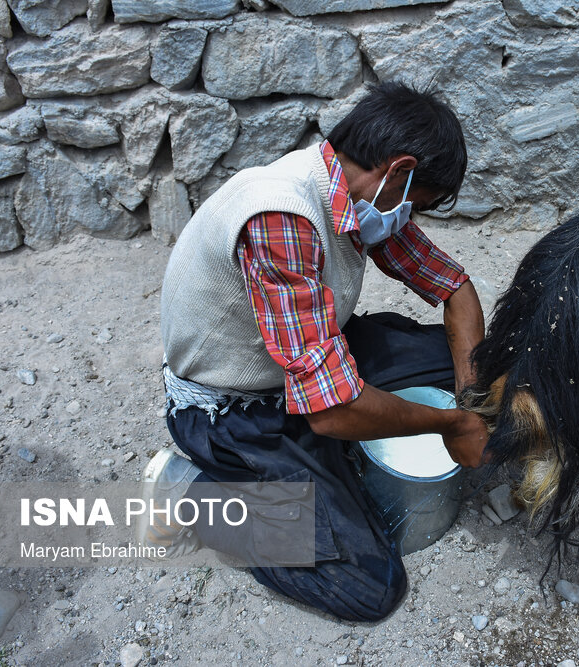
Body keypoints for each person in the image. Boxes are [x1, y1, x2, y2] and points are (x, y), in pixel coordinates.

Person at [141, 82, 489, 622]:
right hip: (236, 407)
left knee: (480, 360)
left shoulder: (360, 196)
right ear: (398, 171)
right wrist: (452, 425)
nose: (408, 217)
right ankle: (188, 490)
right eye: (415, 203)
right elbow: (331, 412)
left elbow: (455, 290)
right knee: (366, 584)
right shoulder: (283, 216)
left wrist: (472, 399)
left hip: (308, 358)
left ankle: (350, 452)